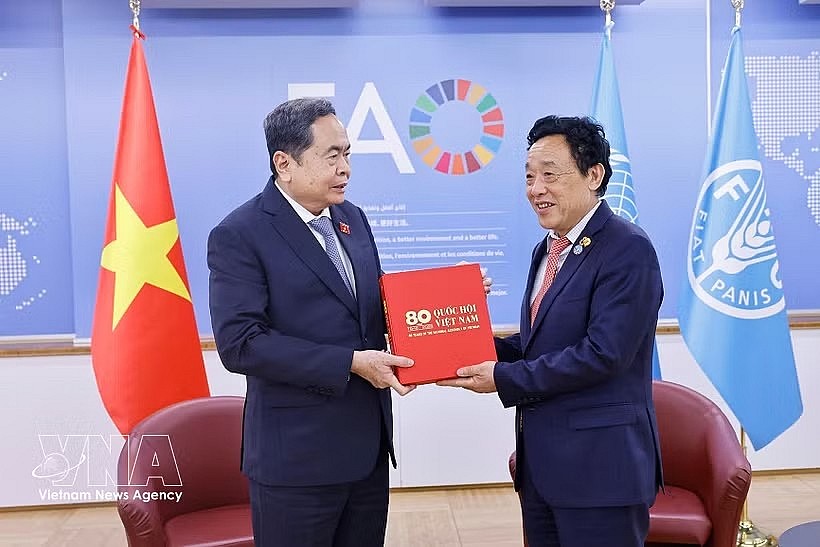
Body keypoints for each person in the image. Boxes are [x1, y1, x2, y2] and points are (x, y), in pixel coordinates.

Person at [439, 115, 663, 546]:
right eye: (529, 177)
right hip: (543, 469)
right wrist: (461, 341)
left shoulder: (627, 248)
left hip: (601, 471)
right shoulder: (547, 249)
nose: (536, 189)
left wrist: (502, 378)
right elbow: (539, 343)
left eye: (550, 175)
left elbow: (603, 354)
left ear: (593, 175)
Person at [207, 97, 414, 547]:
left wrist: (449, 299)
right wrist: (349, 363)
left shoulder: (352, 218)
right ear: (284, 163)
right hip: (296, 463)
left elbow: (370, 308)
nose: (346, 169)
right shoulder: (240, 234)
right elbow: (241, 344)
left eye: (347, 153)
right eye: (331, 155)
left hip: (367, 452)